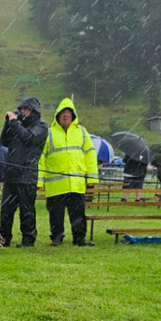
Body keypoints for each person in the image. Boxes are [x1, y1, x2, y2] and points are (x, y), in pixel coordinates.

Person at [38, 97, 98, 246]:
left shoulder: (82, 132)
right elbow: (41, 158)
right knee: (55, 214)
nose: (65, 115)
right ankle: (57, 237)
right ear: (57, 115)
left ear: (73, 115)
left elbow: (90, 155)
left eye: (68, 113)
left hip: (76, 184)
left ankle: (79, 238)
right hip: (56, 185)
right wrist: (39, 181)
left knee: (78, 214)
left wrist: (92, 179)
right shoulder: (49, 133)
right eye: (63, 113)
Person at [0, 96, 47, 247]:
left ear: (33, 111)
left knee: (26, 210)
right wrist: (7, 123)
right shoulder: (18, 125)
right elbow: (4, 141)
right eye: (22, 109)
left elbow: (28, 138)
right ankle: (3, 238)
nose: (23, 112)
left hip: (27, 175)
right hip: (11, 174)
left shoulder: (41, 126)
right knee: (6, 210)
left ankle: (28, 240)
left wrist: (14, 122)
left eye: (26, 109)